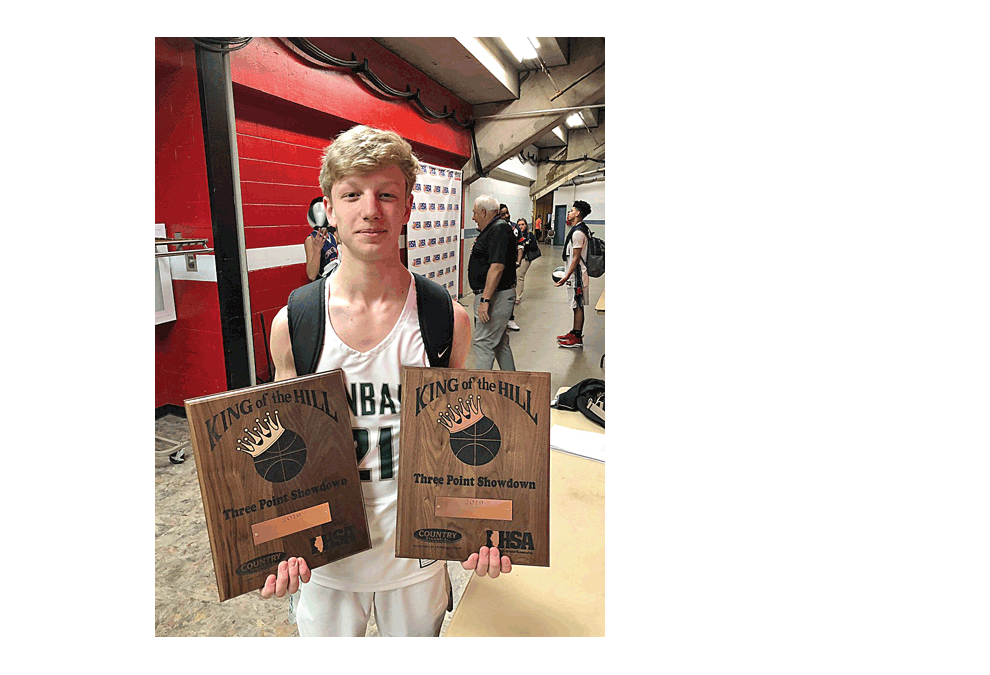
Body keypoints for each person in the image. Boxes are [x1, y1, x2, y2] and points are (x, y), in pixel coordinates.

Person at [264, 125, 512, 637]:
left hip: (417, 553)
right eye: (351, 194)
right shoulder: (295, 323)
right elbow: (286, 446)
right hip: (327, 561)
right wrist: (277, 540)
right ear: (329, 208)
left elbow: (461, 436)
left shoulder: (447, 320)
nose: (370, 209)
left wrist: (483, 525)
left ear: (406, 206)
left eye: (386, 194)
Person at [467, 195, 517, 370]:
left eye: (474, 213)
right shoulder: (493, 229)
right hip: (495, 295)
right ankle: (512, 384)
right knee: (500, 343)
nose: (473, 217)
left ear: (483, 212)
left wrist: (485, 300)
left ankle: (480, 391)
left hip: (496, 297)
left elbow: (496, 267)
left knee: (483, 343)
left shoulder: (499, 230)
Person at [554, 200, 593, 348]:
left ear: (577, 213)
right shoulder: (578, 229)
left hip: (577, 277)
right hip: (574, 275)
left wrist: (565, 276)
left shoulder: (578, 233)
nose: (569, 213)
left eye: (571, 210)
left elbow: (576, 258)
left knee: (578, 305)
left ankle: (577, 337)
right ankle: (574, 331)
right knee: (575, 305)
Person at [304, 197, 340, 281]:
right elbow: (311, 275)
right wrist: (317, 250)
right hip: (323, 283)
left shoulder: (332, 236)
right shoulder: (311, 239)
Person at [514, 218, 539, 305]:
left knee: (519, 276)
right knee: (514, 277)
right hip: (515, 258)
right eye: (519, 224)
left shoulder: (529, 235)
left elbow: (534, 246)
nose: (521, 226)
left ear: (526, 225)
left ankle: (518, 297)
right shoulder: (515, 234)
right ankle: (513, 294)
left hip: (525, 258)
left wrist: (526, 245)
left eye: (523, 224)